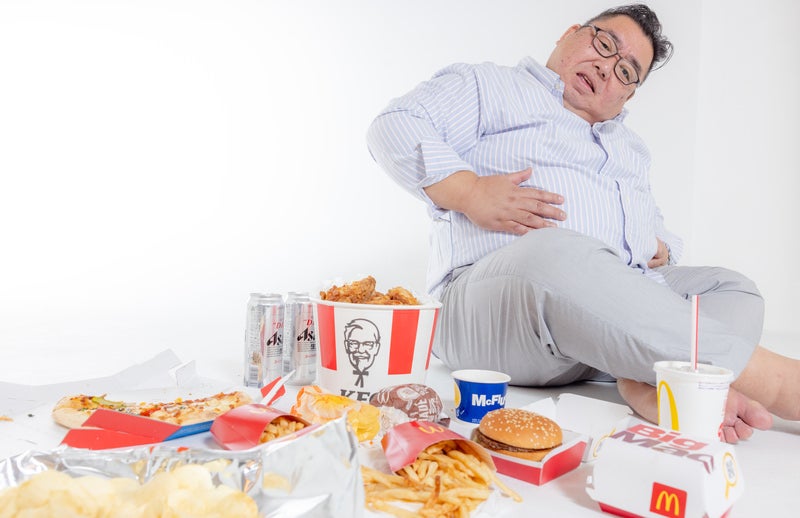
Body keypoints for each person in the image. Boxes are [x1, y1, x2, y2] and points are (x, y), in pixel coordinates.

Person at [366, 3, 798, 443]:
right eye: (604, 44)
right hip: (495, 309)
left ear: (628, 97)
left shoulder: (631, 148)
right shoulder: (490, 85)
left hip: (604, 326)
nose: (607, 69)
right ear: (569, 33)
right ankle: (778, 382)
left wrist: (660, 243)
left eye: (627, 72)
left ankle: (642, 380)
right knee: (556, 251)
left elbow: (652, 223)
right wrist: (470, 191)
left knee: (733, 289)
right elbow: (394, 127)